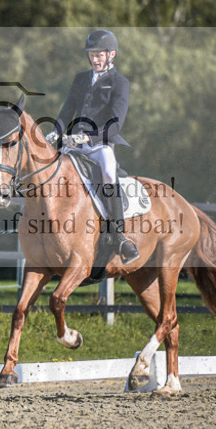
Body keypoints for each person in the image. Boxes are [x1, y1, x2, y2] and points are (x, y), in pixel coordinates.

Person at [47, 29, 139, 264]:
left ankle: (119, 236)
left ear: (112, 55)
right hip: (72, 143)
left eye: (99, 55)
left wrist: (89, 138)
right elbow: (67, 110)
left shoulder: (120, 83)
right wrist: (55, 132)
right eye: (91, 55)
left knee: (108, 172)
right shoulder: (80, 78)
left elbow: (116, 124)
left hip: (100, 144)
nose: (94, 59)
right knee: (48, 171)